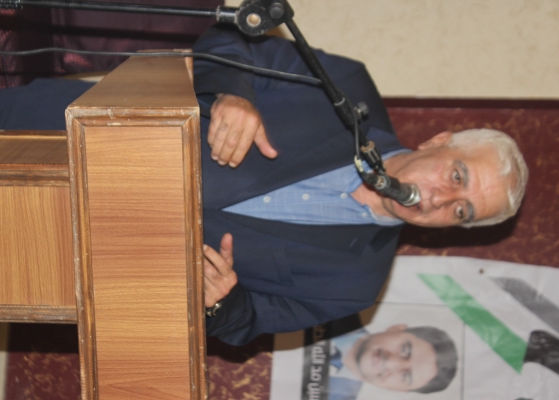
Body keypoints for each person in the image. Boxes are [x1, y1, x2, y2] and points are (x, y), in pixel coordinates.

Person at [195, 25, 529, 345]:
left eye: (462, 211)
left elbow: (244, 321)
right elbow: (231, 38)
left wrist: (220, 300)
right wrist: (233, 93)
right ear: (438, 141)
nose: (441, 199)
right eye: (457, 176)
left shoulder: (355, 285)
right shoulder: (347, 89)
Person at [327, 324, 458, 398]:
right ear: (396, 328)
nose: (390, 363)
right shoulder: (336, 309)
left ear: (398, 390)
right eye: (404, 350)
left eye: (405, 376)